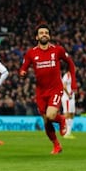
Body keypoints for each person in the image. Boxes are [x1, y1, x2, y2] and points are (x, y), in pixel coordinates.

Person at [19, 24, 77, 154]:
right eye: (41, 33)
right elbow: (23, 67)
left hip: (55, 89)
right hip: (40, 91)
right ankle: (56, 145)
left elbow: (71, 64)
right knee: (46, 120)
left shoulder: (58, 50)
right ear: (36, 37)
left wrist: (73, 83)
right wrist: (22, 72)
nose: (44, 34)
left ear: (49, 36)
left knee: (51, 116)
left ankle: (61, 119)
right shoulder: (31, 53)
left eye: (46, 32)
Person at [61, 71, 76, 139]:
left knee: (72, 114)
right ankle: (66, 132)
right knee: (67, 114)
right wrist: (68, 94)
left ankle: (69, 132)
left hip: (72, 98)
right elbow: (64, 86)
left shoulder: (73, 76)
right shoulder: (66, 75)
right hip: (67, 97)